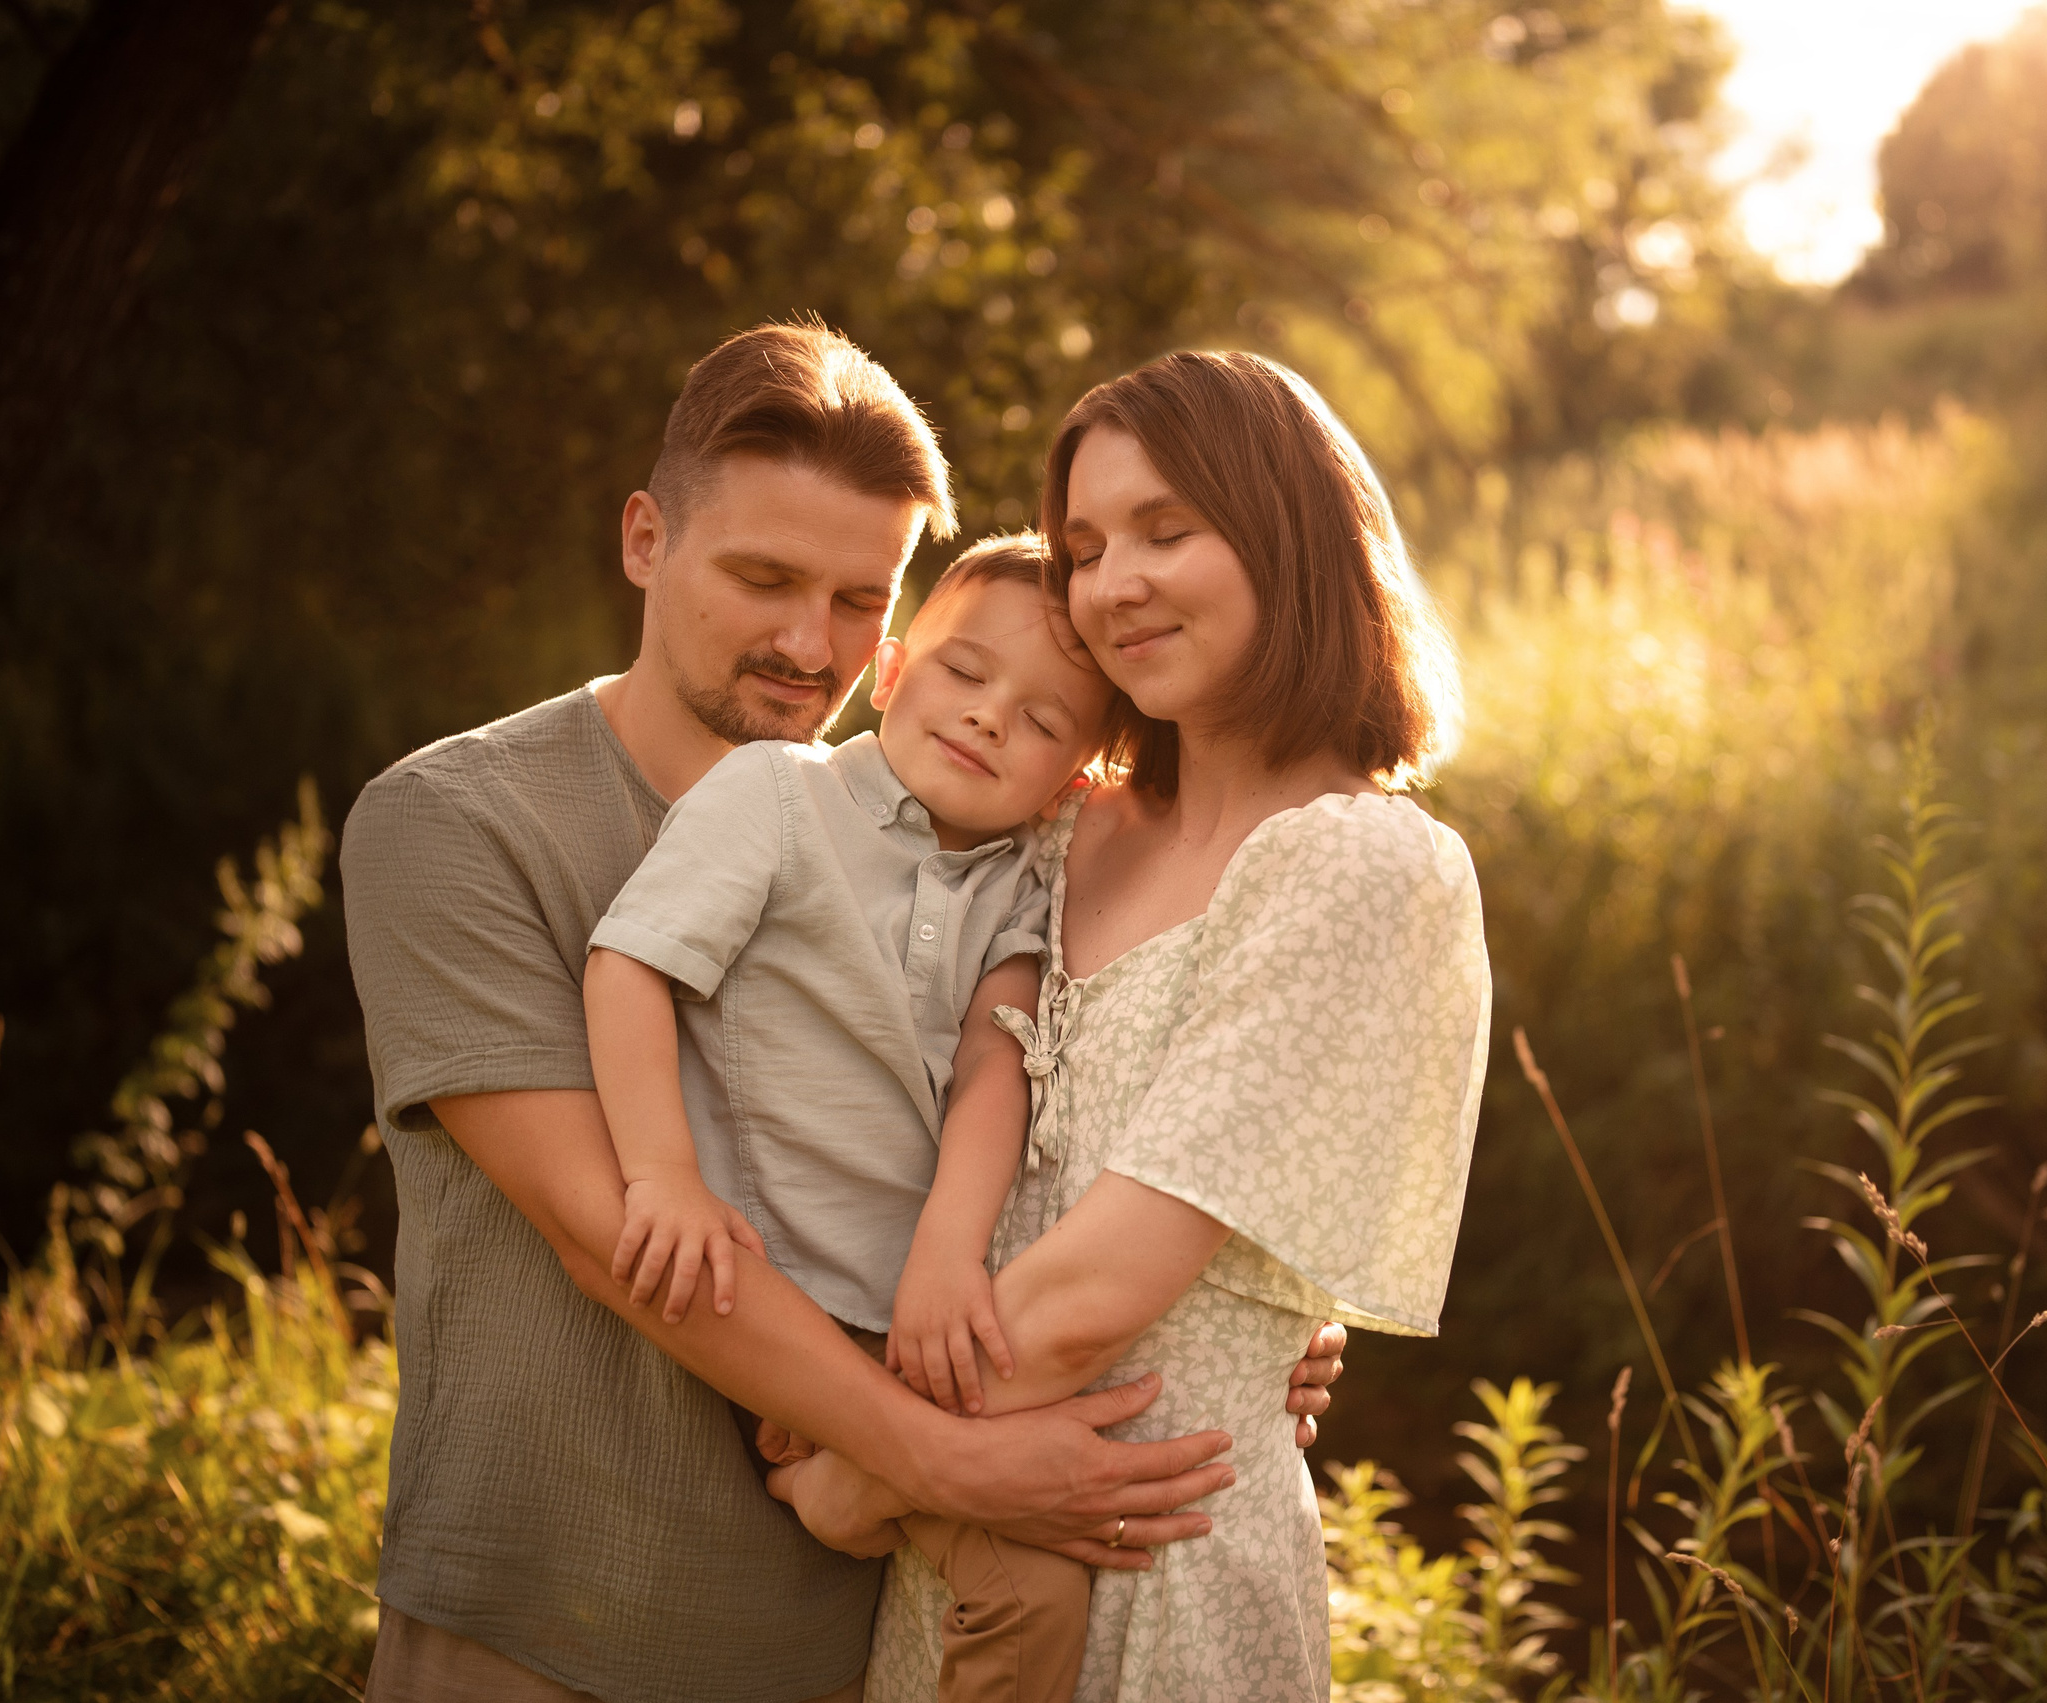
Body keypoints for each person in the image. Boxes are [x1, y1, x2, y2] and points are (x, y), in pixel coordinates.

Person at [340, 321, 1343, 1703]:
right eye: (762, 577)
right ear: (644, 538)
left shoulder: (969, 837)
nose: (810, 643)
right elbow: (609, 1231)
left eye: (859, 599)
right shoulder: (458, 822)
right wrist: (937, 1456)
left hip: (841, 1636)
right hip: (543, 1621)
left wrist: (1235, 1319)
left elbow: (1064, 1089)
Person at [782, 349, 1492, 1702]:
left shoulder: (1358, 861)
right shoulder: (1059, 823)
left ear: (1288, 533)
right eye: (1088, 545)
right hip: (957, 1545)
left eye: (1169, 529)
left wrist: (851, 1467)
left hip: (1155, 1547)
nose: (1112, 585)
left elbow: (1098, 1294)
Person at [583, 533, 1116, 1703]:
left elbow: (996, 1067)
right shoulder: (779, 791)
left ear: (1076, 776)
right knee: (1028, 1572)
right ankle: (826, 1470)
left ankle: (844, 1484)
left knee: (1072, 1543)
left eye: (1040, 720)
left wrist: (942, 1253)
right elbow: (629, 963)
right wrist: (662, 1175)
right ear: (888, 669)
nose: (986, 718)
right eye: (964, 673)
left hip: (916, 1324)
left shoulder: (1027, 879)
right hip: (777, 1310)